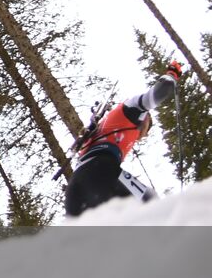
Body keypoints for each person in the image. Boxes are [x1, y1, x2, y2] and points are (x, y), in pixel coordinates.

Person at [65, 61, 183, 217]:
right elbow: (159, 93)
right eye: (146, 129)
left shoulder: (105, 129)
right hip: (99, 170)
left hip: (75, 190)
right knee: (152, 202)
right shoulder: (131, 109)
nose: (142, 135)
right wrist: (172, 74)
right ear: (144, 117)